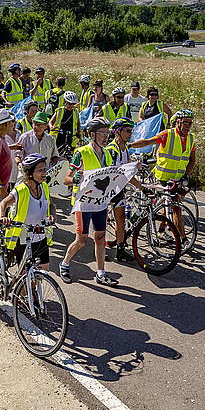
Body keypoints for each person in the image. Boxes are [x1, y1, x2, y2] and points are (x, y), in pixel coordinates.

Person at [60, 117, 117, 286]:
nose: (106, 137)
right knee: (82, 240)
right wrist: (75, 179)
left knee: (100, 237)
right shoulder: (81, 153)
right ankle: (65, 264)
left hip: (100, 202)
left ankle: (100, 273)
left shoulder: (107, 153)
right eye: (102, 133)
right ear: (92, 134)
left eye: (108, 133)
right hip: (83, 203)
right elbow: (66, 179)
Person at [131, 109, 197, 242]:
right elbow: (147, 142)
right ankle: (183, 239)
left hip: (177, 178)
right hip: (163, 178)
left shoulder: (191, 138)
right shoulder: (168, 134)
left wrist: (186, 175)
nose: (188, 126)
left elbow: (192, 160)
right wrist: (128, 145)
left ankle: (161, 230)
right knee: (174, 208)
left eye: (190, 123)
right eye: (185, 122)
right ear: (178, 122)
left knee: (168, 205)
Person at [0, 153, 55, 271]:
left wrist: (53, 215)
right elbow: (2, 204)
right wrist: (3, 217)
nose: (44, 172)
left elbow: (51, 205)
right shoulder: (21, 190)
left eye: (45, 169)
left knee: (43, 272)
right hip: (24, 240)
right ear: (30, 173)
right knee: (26, 278)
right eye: (40, 170)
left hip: (41, 237)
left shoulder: (44, 186)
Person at [105, 117, 141, 262]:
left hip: (118, 190)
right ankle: (100, 248)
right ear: (118, 132)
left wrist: (141, 187)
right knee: (100, 224)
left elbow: (127, 174)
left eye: (131, 131)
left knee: (121, 219)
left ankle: (120, 249)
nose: (130, 134)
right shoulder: (111, 150)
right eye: (127, 131)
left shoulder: (125, 149)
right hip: (106, 191)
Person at [16, 112, 60, 177]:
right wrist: (20, 165)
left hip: (44, 175)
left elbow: (55, 156)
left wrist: (53, 168)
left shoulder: (50, 139)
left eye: (39, 125)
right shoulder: (25, 137)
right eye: (34, 124)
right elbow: (17, 155)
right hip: (28, 175)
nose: (35, 127)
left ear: (45, 126)